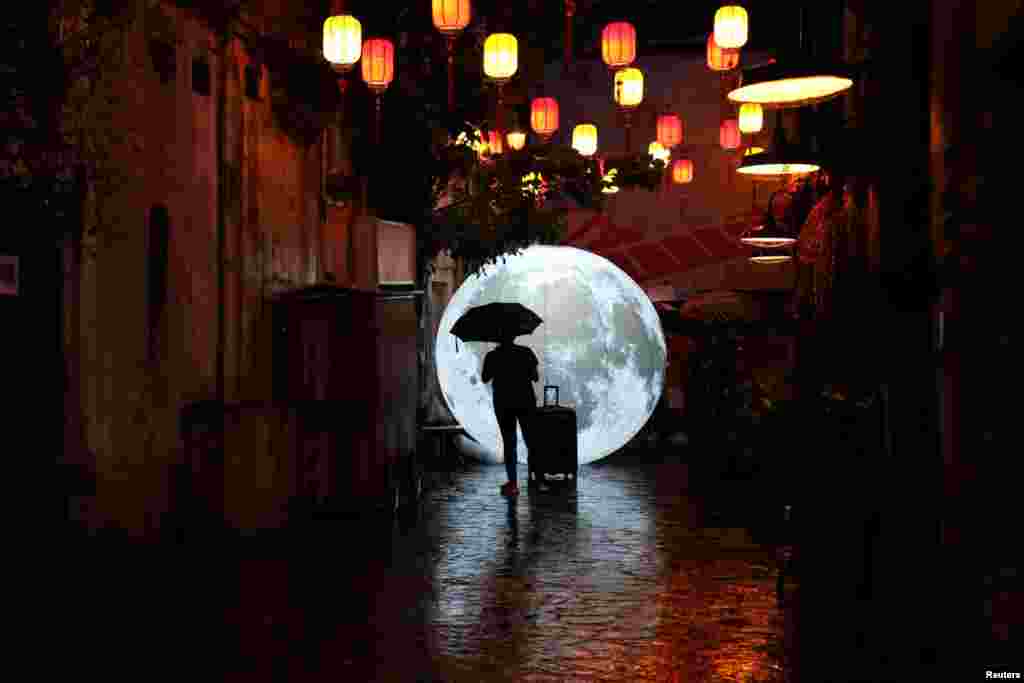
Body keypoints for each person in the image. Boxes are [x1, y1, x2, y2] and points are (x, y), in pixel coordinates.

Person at [481, 325, 540, 497]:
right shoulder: (526, 352)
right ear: (515, 336)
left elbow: (485, 378)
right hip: (525, 400)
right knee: (531, 440)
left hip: (503, 402)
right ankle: (534, 479)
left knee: (509, 442)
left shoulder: (492, 356)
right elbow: (535, 377)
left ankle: (513, 483)